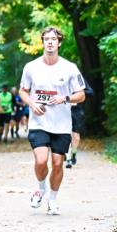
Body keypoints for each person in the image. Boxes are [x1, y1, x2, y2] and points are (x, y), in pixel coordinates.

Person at [19, 26, 86, 215]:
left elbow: (81, 95)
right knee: (41, 161)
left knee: (57, 163)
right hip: (39, 123)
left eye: (53, 39)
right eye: (46, 39)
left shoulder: (70, 68)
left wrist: (64, 98)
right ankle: (41, 188)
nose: (50, 42)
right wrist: (32, 103)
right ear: (42, 42)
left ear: (59, 43)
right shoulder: (31, 67)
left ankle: (53, 200)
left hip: (62, 125)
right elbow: (23, 91)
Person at [66, 82, 94, 168]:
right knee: (65, 134)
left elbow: (90, 92)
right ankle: (68, 158)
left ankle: (73, 153)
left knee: (76, 137)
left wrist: (78, 94)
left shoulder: (78, 78)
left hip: (76, 110)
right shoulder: (60, 77)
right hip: (63, 110)